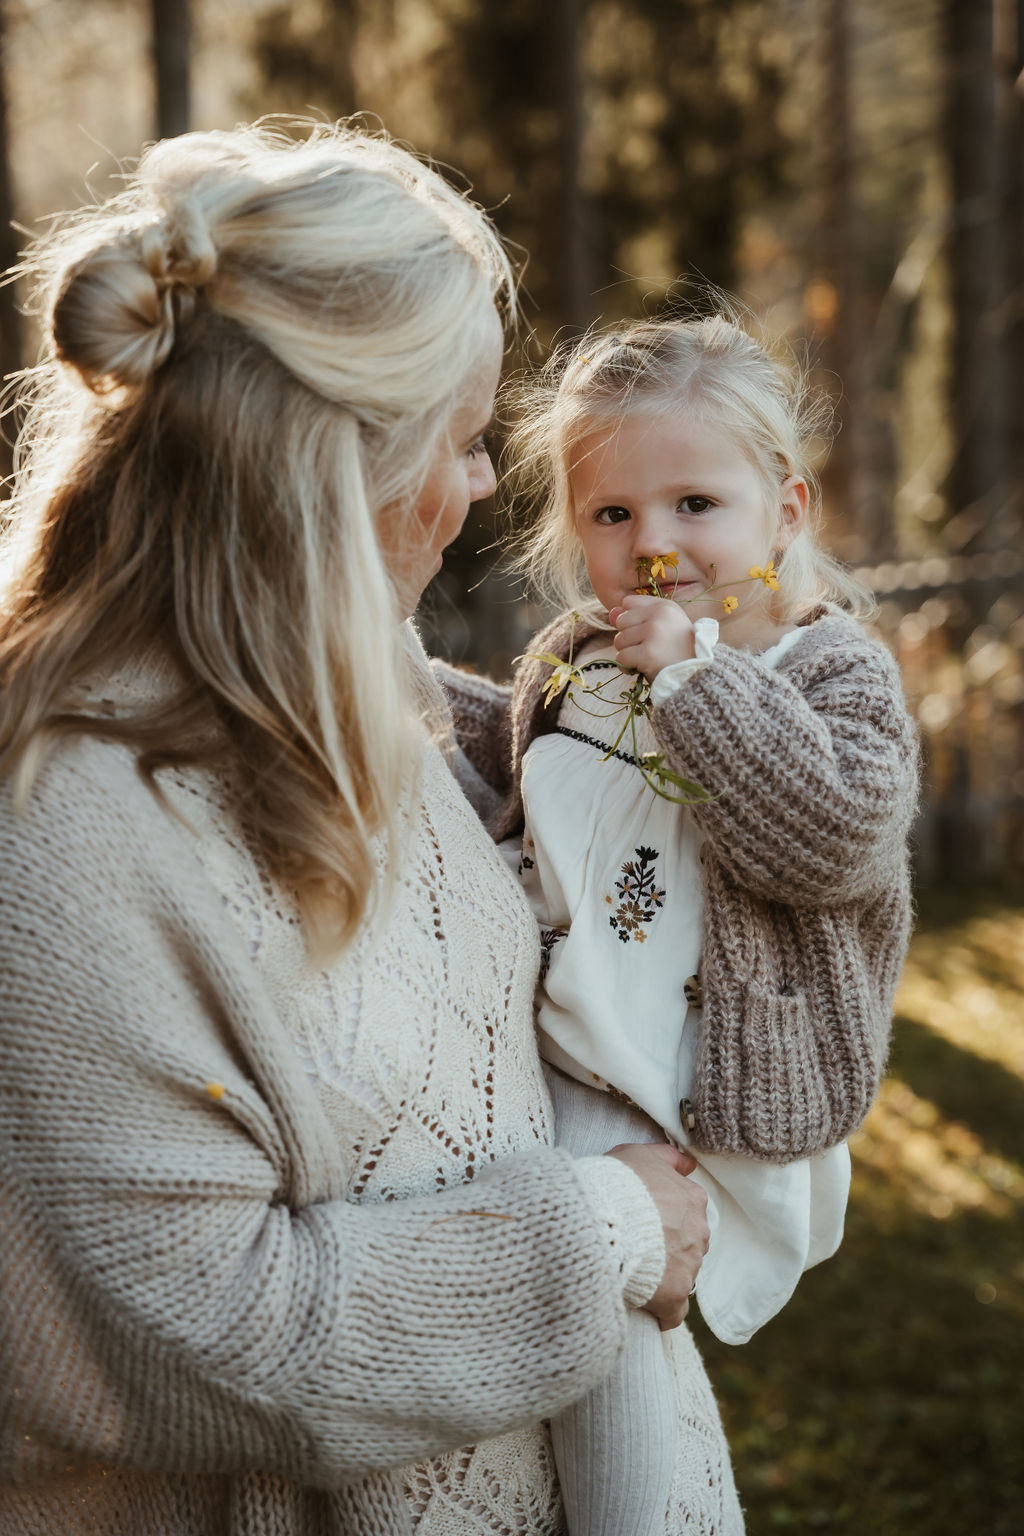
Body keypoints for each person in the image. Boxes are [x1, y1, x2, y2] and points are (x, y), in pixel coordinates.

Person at [0, 126, 731, 1536]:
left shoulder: (389, 706)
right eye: (461, 444)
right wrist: (617, 1232)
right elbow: (202, 1331)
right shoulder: (63, 826)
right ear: (332, 474)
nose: (474, 492)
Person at [435, 316, 919, 1535]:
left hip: (701, 1069)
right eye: (611, 516)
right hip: (571, 1034)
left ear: (786, 509)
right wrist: (387, 684)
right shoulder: (577, 658)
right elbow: (518, 768)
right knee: (551, 1329)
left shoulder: (830, 673)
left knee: (614, 1345)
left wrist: (697, 680)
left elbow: (829, 841)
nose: (652, 543)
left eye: (694, 503)